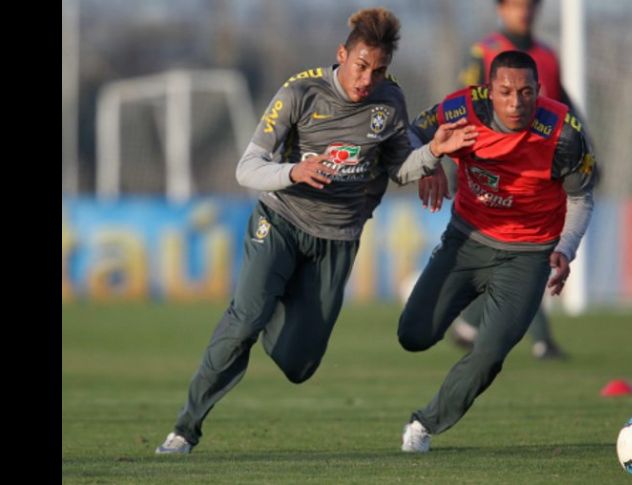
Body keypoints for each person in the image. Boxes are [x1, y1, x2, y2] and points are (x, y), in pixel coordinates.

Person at [155, 7, 478, 454]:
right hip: (280, 220)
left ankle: (268, 308)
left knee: (299, 364)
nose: (368, 78)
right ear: (342, 55)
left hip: (338, 239)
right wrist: (294, 171)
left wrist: (433, 154)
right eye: (361, 66)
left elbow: (399, 168)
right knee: (244, 319)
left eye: (379, 69)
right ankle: (184, 431)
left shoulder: (389, 101)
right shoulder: (300, 91)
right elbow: (247, 169)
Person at [399, 50, 597, 452]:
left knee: (489, 354)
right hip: (466, 240)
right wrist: (432, 161)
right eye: (505, 92)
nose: (516, 102)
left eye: (526, 92)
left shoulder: (562, 133)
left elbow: (582, 198)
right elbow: (411, 135)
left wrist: (566, 247)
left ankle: (424, 425)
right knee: (412, 336)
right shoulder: (460, 109)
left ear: (539, 91)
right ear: (489, 91)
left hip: (528, 254)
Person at [442, 0, 577, 359]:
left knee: (530, 253)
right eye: (518, 5)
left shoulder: (547, 55)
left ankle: (473, 321)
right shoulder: (484, 52)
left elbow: (566, 108)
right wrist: (457, 164)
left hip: (540, 171)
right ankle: (538, 339)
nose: (526, 12)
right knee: (518, 254)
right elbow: (463, 103)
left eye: (531, 5)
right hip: (494, 171)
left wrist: (587, 150)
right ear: (501, 8)